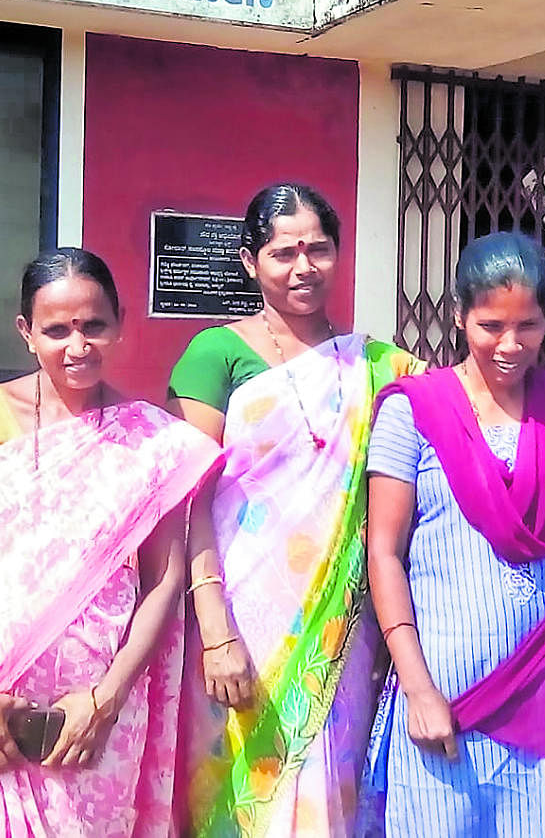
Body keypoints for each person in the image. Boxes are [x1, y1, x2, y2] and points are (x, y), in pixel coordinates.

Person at [0, 248, 223, 836]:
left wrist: (104, 703)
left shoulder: (149, 441)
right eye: (57, 330)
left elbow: (163, 580)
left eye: (94, 326)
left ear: (120, 323)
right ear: (26, 333)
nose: (77, 346)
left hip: (94, 720)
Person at [361, 231, 545, 836]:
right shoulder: (412, 410)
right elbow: (384, 554)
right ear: (459, 316)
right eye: (491, 325)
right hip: (447, 693)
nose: (510, 345)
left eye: (529, 326)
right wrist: (417, 689)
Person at [167, 184, 423, 837]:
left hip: (338, 625)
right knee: (231, 780)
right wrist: (214, 629)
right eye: (283, 252)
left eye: (318, 249)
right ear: (250, 261)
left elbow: (460, 417)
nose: (303, 266)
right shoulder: (215, 354)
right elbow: (186, 499)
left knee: (325, 785)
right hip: (237, 617)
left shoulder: (377, 364)